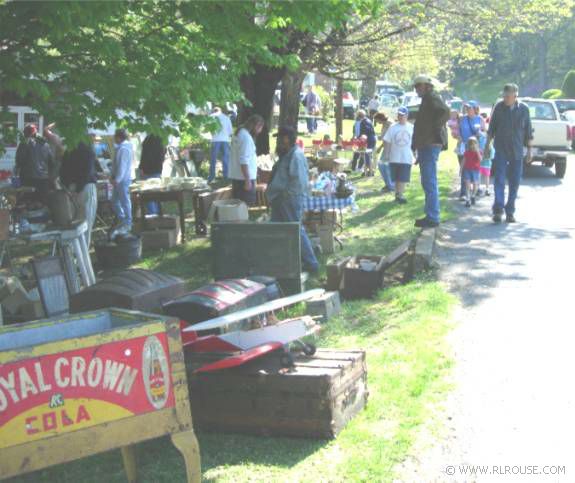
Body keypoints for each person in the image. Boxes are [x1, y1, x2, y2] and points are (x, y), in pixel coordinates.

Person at [266, 126, 319, 273]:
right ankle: (279, 261)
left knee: (296, 231)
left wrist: (285, 195)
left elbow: (300, 182)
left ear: (287, 139)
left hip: (289, 200)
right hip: (280, 200)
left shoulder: (296, 155)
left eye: (280, 139)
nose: (278, 142)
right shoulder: (287, 154)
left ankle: (312, 263)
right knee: (276, 230)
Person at [484, 83, 533, 223]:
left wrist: (529, 150)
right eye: (504, 95)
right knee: (499, 179)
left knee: (515, 182)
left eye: (508, 96)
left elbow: (528, 131)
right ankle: (498, 210)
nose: (505, 98)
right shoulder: (499, 107)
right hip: (500, 149)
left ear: (515, 95)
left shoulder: (523, 109)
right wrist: (487, 146)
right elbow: (491, 128)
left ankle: (510, 212)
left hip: (517, 151)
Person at [411, 74, 450, 228]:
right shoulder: (427, 100)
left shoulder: (432, 98)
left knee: (429, 181)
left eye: (418, 86)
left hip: (430, 144)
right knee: (427, 181)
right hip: (426, 145)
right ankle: (430, 215)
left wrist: (434, 130)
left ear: (426, 86)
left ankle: (433, 217)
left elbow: (445, 112)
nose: (416, 89)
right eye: (415, 86)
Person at [60, 142, 98, 247]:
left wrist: (68, 189)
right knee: (86, 223)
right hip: (85, 187)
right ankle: (82, 252)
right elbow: (88, 171)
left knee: (74, 223)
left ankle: (73, 251)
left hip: (72, 188)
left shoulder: (68, 149)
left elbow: (62, 172)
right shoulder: (88, 150)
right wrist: (78, 189)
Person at [14, 123, 55, 204]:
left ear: (25, 133)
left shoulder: (24, 144)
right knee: (42, 206)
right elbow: (52, 163)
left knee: (26, 205)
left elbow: (19, 161)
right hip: (43, 181)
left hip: (27, 179)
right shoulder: (45, 144)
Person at [229, 114, 264, 206]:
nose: (260, 132)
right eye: (260, 128)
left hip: (238, 177)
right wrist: (247, 180)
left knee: (238, 206)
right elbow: (244, 160)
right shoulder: (246, 138)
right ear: (257, 126)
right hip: (243, 179)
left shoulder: (239, 134)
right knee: (244, 206)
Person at [383, 107, 414, 204]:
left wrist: (416, 153)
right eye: (399, 115)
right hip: (394, 156)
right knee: (396, 177)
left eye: (402, 115)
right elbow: (387, 140)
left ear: (407, 116)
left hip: (406, 156)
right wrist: (386, 154)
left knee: (403, 177)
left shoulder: (411, 127)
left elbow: (415, 142)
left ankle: (400, 195)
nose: (400, 117)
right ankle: (397, 194)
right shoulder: (393, 127)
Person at [457, 101, 484, 198]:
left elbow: (484, 133)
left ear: (475, 109)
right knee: (465, 168)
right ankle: (464, 192)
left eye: (469, 108)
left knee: (476, 168)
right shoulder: (462, 119)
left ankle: (476, 188)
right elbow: (458, 132)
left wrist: (479, 133)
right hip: (464, 147)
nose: (467, 110)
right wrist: (458, 137)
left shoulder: (480, 119)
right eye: (466, 108)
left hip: (475, 148)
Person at [111, 128, 133, 232]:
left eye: (115, 136)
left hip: (123, 180)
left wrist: (117, 179)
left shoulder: (124, 149)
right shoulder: (121, 148)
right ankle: (123, 219)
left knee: (124, 201)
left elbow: (122, 166)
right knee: (115, 201)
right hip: (120, 179)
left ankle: (127, 221)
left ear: (118, 137)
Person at [139, 134, 166, 214]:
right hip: (157, 170)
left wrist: (141, 168)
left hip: (148, 171)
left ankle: (153, 216)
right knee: (157, 196)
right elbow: (163, 155)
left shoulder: (148, 139)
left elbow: (144, 156)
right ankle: (158, 216)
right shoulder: (161, 139)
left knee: (148, 196)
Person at [208, 107, 233, 183]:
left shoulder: (211, 117)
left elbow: (208, 129)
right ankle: (226, 177)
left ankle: (211, 177)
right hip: (225, 140)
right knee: (225, 159)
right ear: (221, 111)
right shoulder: (226, 118)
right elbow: (230, 132)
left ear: (213, 111)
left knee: (213, 159)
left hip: (215, 140)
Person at [374, 112, 394, 193]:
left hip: (391, 148)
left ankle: (391, 186)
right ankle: (388, 184)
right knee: (381, 165)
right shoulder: (384, 124)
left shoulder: (389, 124)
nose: (377, 122)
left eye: (377, 120)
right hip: (386, 147)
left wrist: (380, 147)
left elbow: (389, 138)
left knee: (385, 167)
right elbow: (384, 137)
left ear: (380, 118)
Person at [462, 137, 482, 208]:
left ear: (477, 144)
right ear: (468, 145)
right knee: (467, 185)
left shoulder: (479, 152)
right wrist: (461, 169)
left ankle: (473, 196)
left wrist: (477, 151)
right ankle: (468, 199)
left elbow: (480, 160)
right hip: (467, 170)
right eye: (471, 144)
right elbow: (463, 161)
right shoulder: (466, 152)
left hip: (475, 171)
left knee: (475, 185)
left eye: (474, 144)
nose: (472, 146)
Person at [357, 110, 376, 176]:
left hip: (368, 140)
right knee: (368, 156)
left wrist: (359, 137)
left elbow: (365, 132)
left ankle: (370, 171)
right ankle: (368, 170)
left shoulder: (363, 122)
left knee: (366, 156)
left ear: (359, 116)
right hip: (372, 139)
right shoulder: (369, 120)